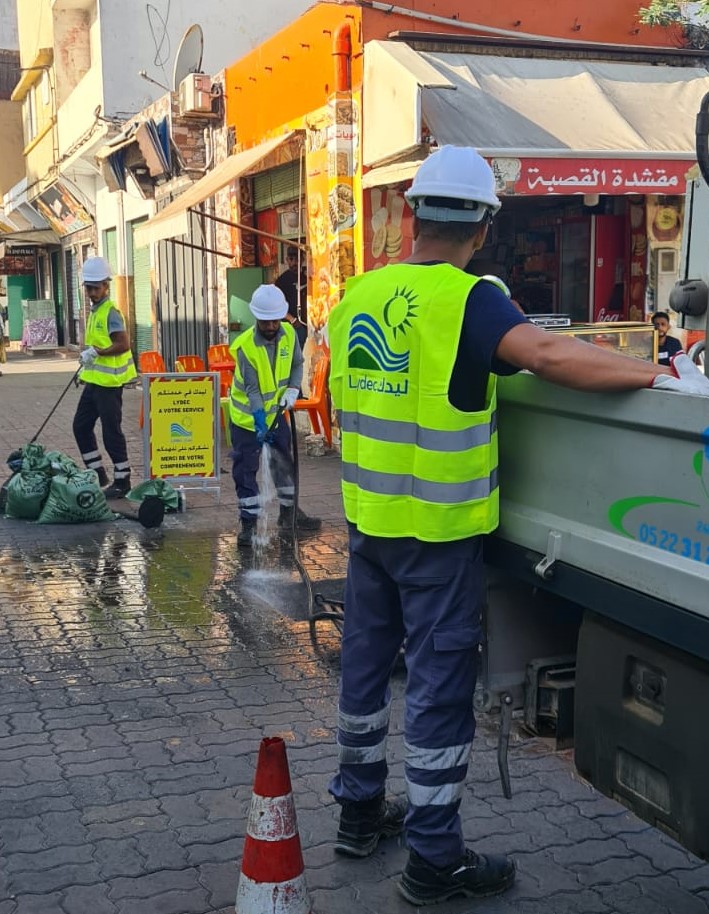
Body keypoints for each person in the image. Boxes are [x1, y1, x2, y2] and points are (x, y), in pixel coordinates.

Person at [326, 145, 709, 907]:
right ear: (485, 226)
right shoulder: (469, 301)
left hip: (369, 525)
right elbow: (541, 354)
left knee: (364, 672)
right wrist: (655, 371)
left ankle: (358, 814)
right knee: (437, 691)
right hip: (437, 536)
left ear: (411, 213)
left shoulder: (357, 296)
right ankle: (434, 858)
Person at [228, 284, 321, 548]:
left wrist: (293, 388)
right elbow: (253, 389)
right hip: (248, 420)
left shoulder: (289, 333)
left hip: (277, 415)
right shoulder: (245, 346)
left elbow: (296, 364)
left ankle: (289, 515)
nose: (271, 326)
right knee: (245, 472)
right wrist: (258, 419)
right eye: (265, 321)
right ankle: (248, 524)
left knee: (284, 464)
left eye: (275, 320)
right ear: (256, 317)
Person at [72, 256, 137, 499]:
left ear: (106, 286)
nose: (91, 292)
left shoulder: (110, 312)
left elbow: (123, 344)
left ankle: (123, 480)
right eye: (88, 288)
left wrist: (97, 352)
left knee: (111, 432)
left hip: (109, 385)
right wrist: (85, 368)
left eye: (95, 288)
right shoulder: (95, 311)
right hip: (94, 383)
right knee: (80, 426)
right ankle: (97, 473)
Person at [275, 245, 308, 348]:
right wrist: (292, 320)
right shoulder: (282, 280)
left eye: (297, 259)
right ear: (287, 260)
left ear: (302, 259)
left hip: (309, 325)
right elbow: (277, 305)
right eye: (291, 259)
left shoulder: (307, 277)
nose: (294, 262)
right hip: (291, 326)